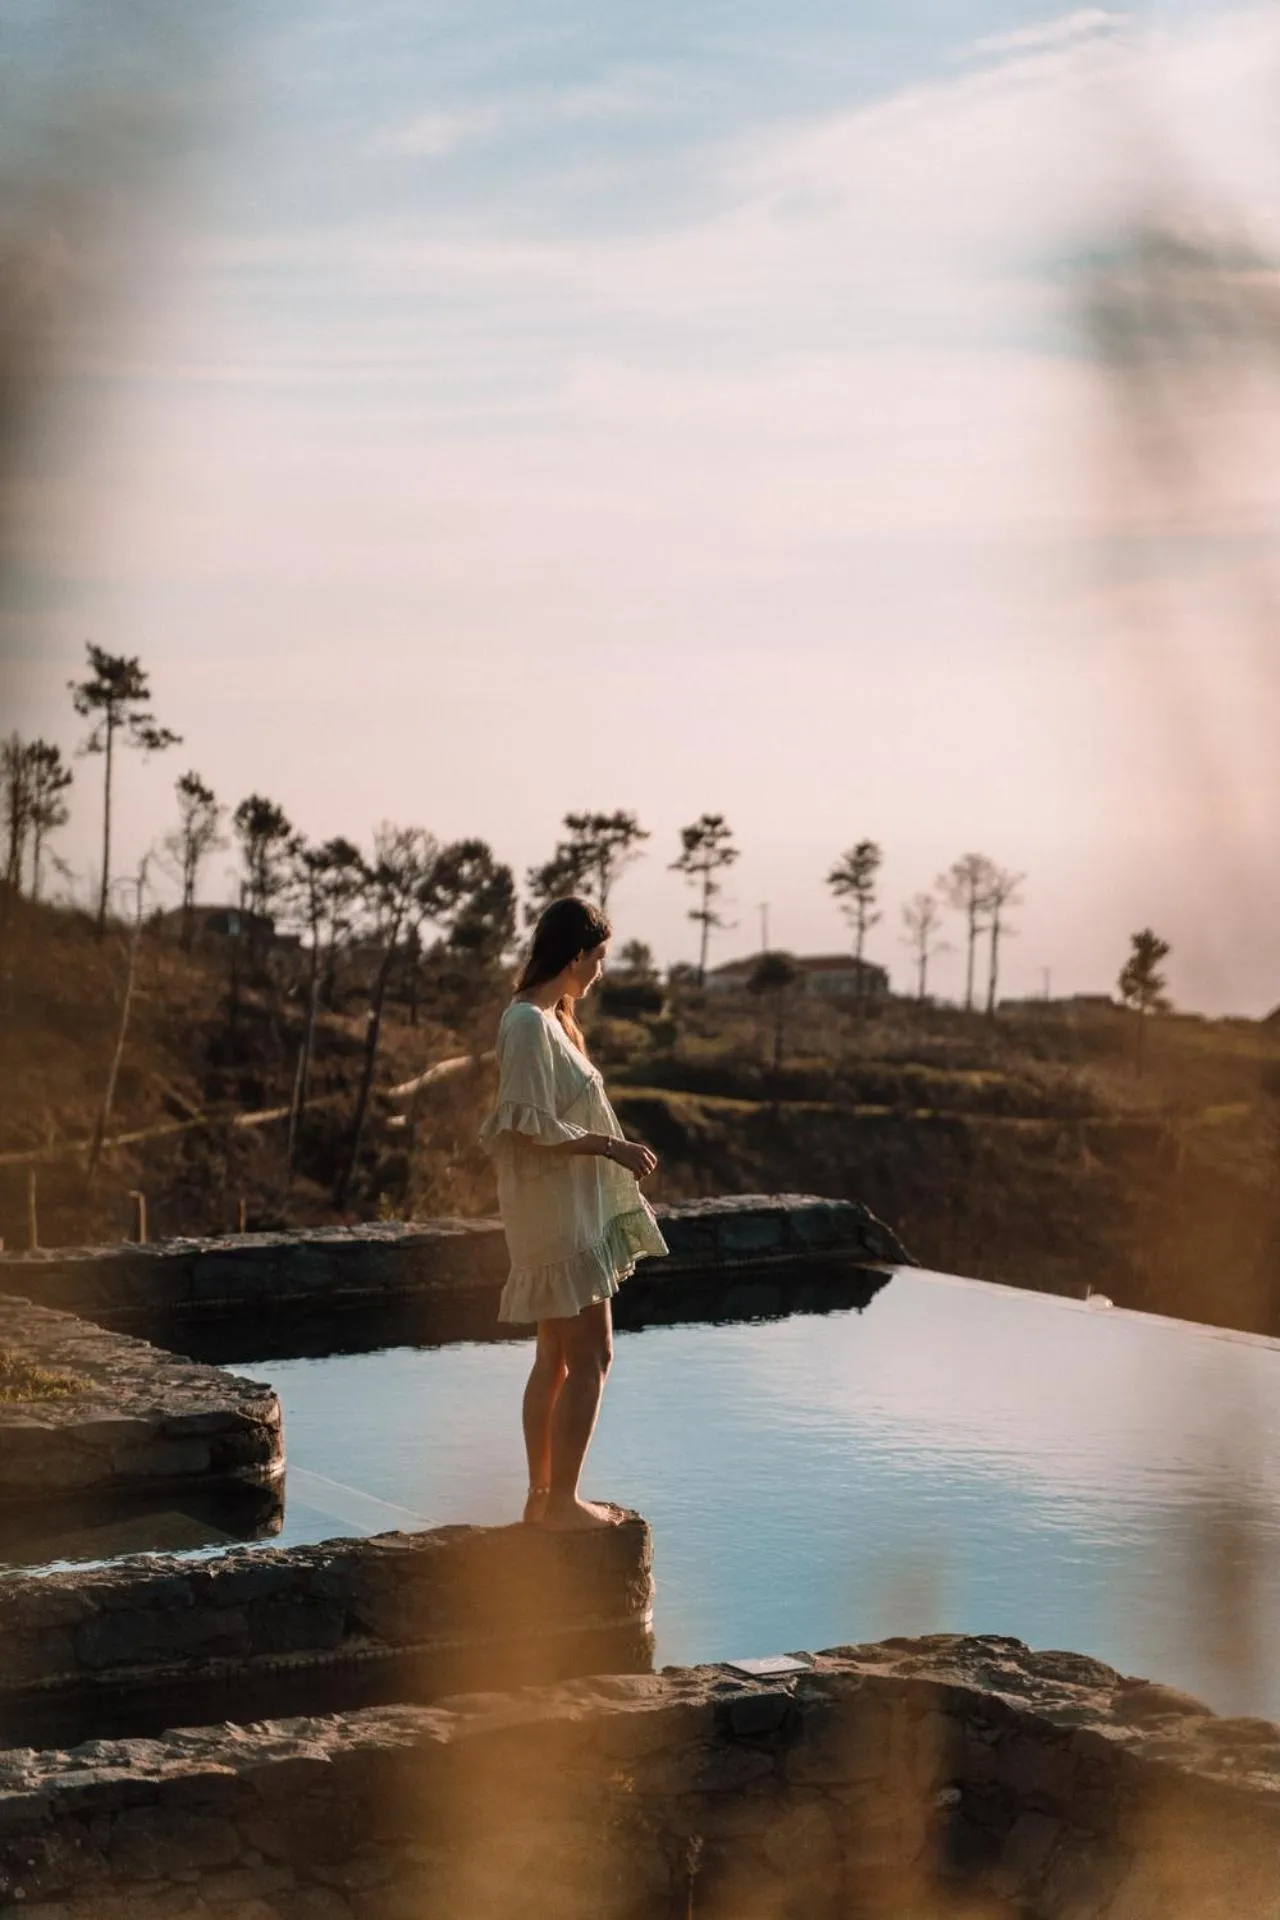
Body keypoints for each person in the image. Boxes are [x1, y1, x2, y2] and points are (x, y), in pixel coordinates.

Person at [479, 897, 668, 1529]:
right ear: (576, 955)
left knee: (556, 1358)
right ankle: (561, 1503)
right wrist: (612, 1147)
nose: (601, 971)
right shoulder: (529, 1023)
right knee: (593, 1356)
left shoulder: (546, 1018)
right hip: (557, 1213)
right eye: (600, 958)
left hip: (562, 1207)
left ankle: (543, 1500)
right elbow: (530, 1126)